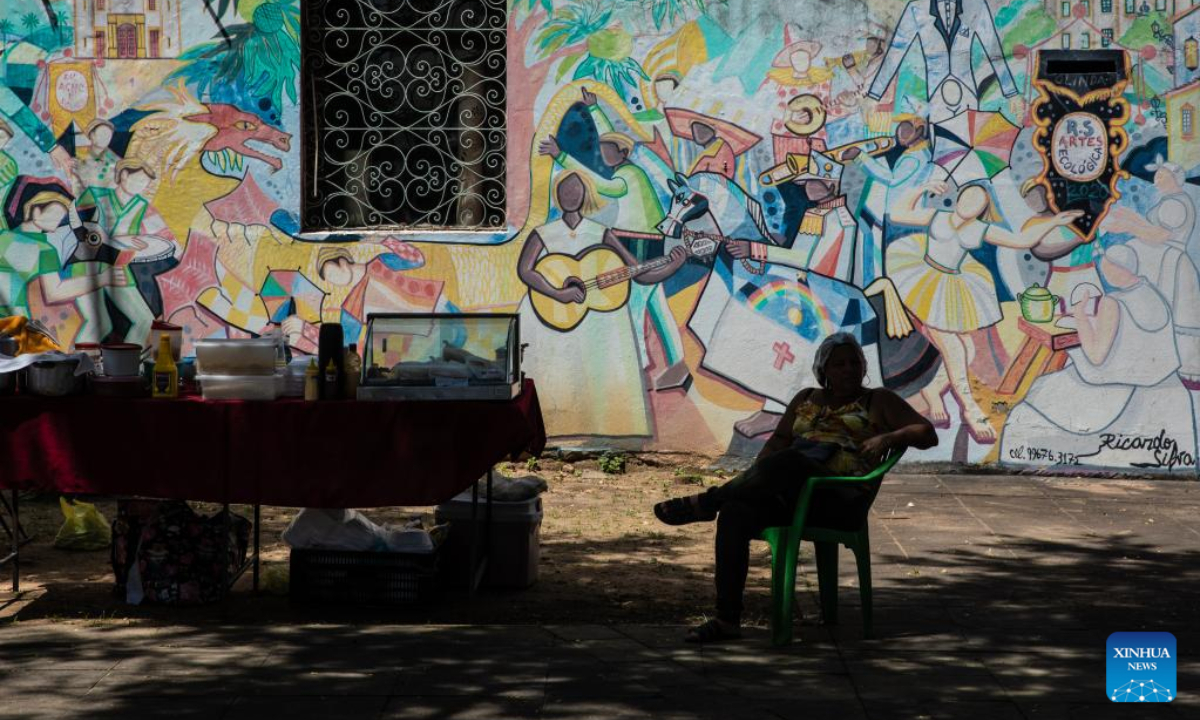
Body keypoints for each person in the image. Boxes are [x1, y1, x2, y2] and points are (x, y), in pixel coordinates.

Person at [652, 333, 938, 643]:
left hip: (839, 500)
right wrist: (752, 482)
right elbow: (776, 443)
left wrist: (889, 438)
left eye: (854, 362)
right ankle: (727, 620)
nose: (848, 369)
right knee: (735, 512)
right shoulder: (806, 399)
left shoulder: (878, 400)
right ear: (823, 370)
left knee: (792, 461)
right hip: (790, 496)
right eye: (839, 364)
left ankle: (707, 502)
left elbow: (927, 433)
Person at [887, 180, 1081, 442]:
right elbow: (898, 213)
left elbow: (1021, 240)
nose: (971, 205)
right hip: (925, 282)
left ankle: (933, 391)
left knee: (969, 349)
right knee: (955, 349)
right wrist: (921, 187)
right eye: (968, 198)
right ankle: (971, 409)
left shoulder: (978, 229)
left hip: (952, 284)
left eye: (978, 203)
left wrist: (1055, 222)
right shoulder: (936, 216)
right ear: (958, 199)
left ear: (982, 209)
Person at [517, 170, 685, 437]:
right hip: (550, 317)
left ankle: (606, 431)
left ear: (586, 194)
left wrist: (673, 265)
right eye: (564, 189)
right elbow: (526, 270)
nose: (570, 194)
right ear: (557, 195)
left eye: (576, 188)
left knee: (599, 375)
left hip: (598, 318)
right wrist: (557, 293)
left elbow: (638, 272)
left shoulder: (601, 232)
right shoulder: (544, 233)